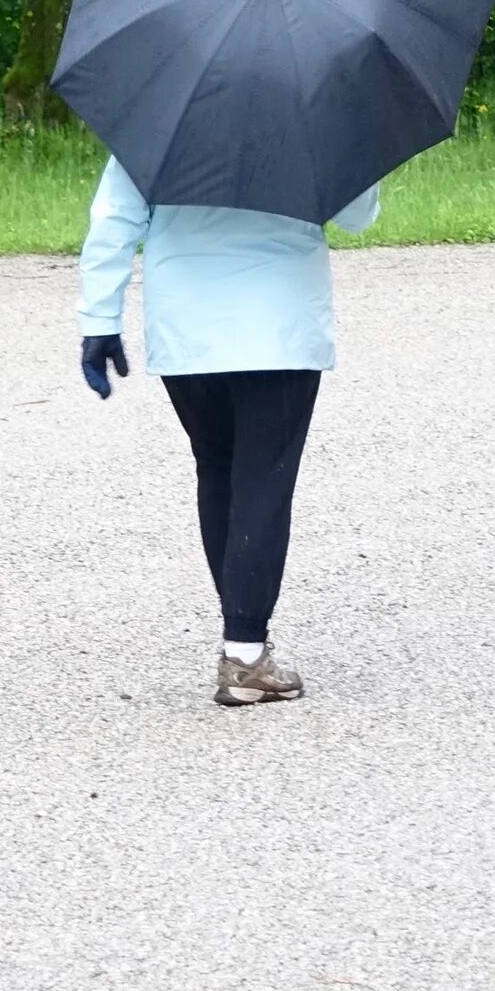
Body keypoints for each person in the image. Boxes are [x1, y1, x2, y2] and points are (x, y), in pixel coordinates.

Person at [75, 158, 379, 706]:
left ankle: (242, 635)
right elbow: (358, 214)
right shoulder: (314, 115)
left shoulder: (164, 109)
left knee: (216, 467)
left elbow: (115, 216)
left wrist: (100, 320)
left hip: (187, 332)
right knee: (265, 478)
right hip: (279, 328)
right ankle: (243, 650)